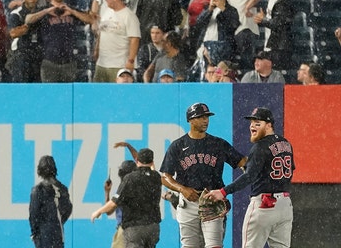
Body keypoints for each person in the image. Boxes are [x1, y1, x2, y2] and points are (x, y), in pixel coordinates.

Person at [204, 107, 294, 248]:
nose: (252, 126)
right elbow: (290, 170)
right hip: (285, 205)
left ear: (269, 125)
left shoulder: (260, 146)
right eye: (251, 122)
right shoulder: (286, 144)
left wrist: (223, 192)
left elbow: (249, 177)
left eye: (258, 123)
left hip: (264, 205)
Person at [160, 102, 247, 248]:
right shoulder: (178, 146)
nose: (205, 120)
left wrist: (256, 162)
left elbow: (242, 162)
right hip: (188, 202)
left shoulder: (218, 144)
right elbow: (164, 176)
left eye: (207, 117)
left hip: (212, 200)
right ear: (190, 120)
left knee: (214, 245)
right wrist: (182, 189)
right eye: (201, 117)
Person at [25, 0, 95, 82]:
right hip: (49, 60)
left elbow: (91, 20)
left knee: (67, 94)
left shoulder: (70, 9)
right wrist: (47, 11)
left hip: (69, 60)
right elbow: (28, 19)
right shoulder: (44, 9)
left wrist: (72, 12)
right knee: (49, 93)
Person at [91, 148, 162, 248]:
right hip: (153, 227)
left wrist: (98, 211)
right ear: (152, 161)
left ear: (137, 161)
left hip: (135, 228)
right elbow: (151, 169)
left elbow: (113, 204)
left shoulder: (130, 179)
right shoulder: (156, 177)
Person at [189, 0, 240, 81]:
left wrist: (222, 8)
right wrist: (209, 10)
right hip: (204, 49)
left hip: (221, 52)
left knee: (217, 78)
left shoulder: (231, 10)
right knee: (202, 78)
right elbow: (198, 23)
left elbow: (233, 25)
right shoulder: (207, 8)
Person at [92, 0, 140, 83]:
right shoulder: (106, 12)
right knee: (98, 92)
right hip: (102, 62)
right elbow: (101, 32)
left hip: (119, 64)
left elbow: (135, 39)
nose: (105, 0)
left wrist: (130, 61)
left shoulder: (129, 16)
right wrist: (97, 49)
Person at [254, 0, 294, 70]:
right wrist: (264, 19)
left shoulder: (281, 0)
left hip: (279, 47)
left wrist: (263, 20)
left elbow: (279, 23)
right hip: (274, 45)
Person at [29, 155, 72, 248]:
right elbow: (68, 209)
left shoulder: (37, 190)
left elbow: (33, 214)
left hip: (43, 235)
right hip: (58, 233)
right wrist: (57, 221)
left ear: (40, 171)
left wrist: (35, 233)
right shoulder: (62, 189)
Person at [8, 0, 43, 83]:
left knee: (37, 89)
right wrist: (27, 25)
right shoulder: (17, 13)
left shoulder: (40, 12)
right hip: (21, 54)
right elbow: (13, 33)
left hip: (37, 55)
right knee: (21, 87)